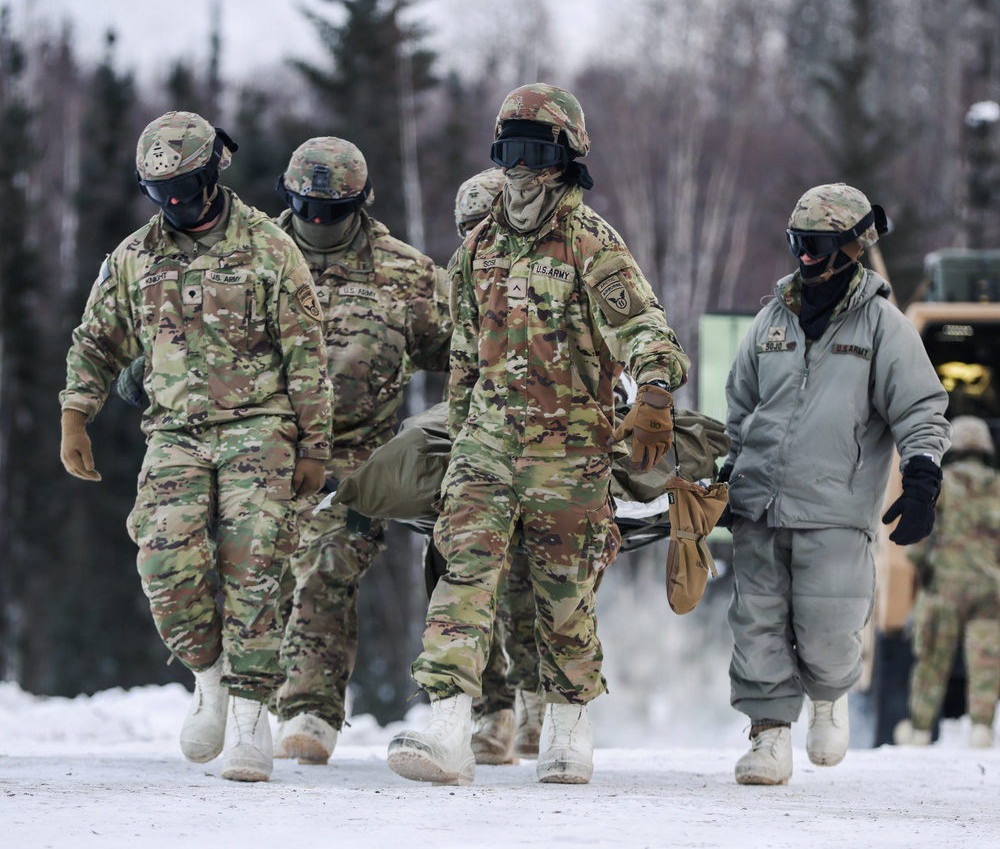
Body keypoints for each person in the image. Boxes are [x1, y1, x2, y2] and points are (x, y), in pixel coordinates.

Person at [387, 84, 689, 787]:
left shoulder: (591, 243)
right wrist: (458, 438)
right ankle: (447, 723)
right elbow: (465, 356)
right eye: (509, 151)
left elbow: (646, 329)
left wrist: (652, 393)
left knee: (563, 597)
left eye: (535, 151)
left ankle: (566, 724)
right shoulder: (477, 251)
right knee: (462, 573)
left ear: (565, 159)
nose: (521, 169)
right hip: (486, 447)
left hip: (569, 452)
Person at [60, 112, 331, 782]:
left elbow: (306, 350)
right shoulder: (133, 258)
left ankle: (248, 715)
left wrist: (314, 444)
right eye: (162, 191)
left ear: (213, 172)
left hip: (259, 424)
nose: (177, 203)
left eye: (186, 186)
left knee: (255, 560)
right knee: (164, 558)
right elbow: (96, 341)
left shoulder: (269, 246)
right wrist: (75, 413)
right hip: (176, 430)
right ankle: (209, 676)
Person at [724, 183, 950, 785]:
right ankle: (769, 737)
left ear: (853, 247)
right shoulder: (772, 319)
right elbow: (740, 406)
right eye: (798, 242)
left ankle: (829, 696)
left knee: (827, 625)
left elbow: (921, 409)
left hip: (835, 508)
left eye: (818, 244)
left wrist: (923, 476)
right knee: (758, 624)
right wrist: (725, 473)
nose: (804, 256)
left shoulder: (882, 327)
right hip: (758, 505)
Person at [273, 137, 452, 763]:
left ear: (360, 204)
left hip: (357, 467)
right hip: (257, 454)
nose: (317, 223)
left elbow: (478, 350)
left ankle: (308, 713)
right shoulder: (253, 261)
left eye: (333, 211)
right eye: (306, 209)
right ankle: (226, 695)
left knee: (324, 558)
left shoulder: (405, 275)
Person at [450, 168, 545, 765]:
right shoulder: (461, 277)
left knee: (534, 590)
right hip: (479, 444)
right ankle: (493, 712)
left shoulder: (558, 271)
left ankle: (537, 704)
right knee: (463, 582)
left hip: (549, 448)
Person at [895, 415, 1000, 749]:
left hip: (946, 587)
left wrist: (922, 571)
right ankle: (982, 729)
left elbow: (921, 539)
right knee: (986, 660)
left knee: (932, 659)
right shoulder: (997, 485)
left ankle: (921, 730)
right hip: (990, 590)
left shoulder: (943, 485)